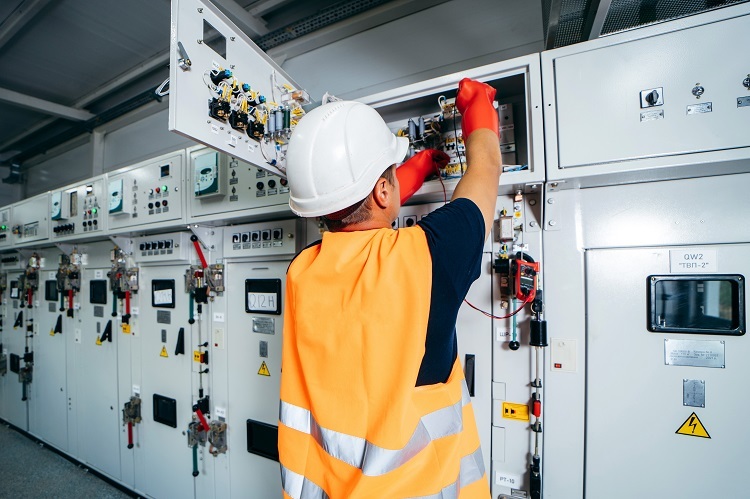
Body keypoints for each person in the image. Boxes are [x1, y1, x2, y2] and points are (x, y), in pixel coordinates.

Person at [278, 77, 501, 498]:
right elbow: (486, 166)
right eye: (390, 178)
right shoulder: (427, 255)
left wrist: (415, 168)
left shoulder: (302, 270)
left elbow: (356, 215)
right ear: (383, 190)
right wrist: (478, 104)